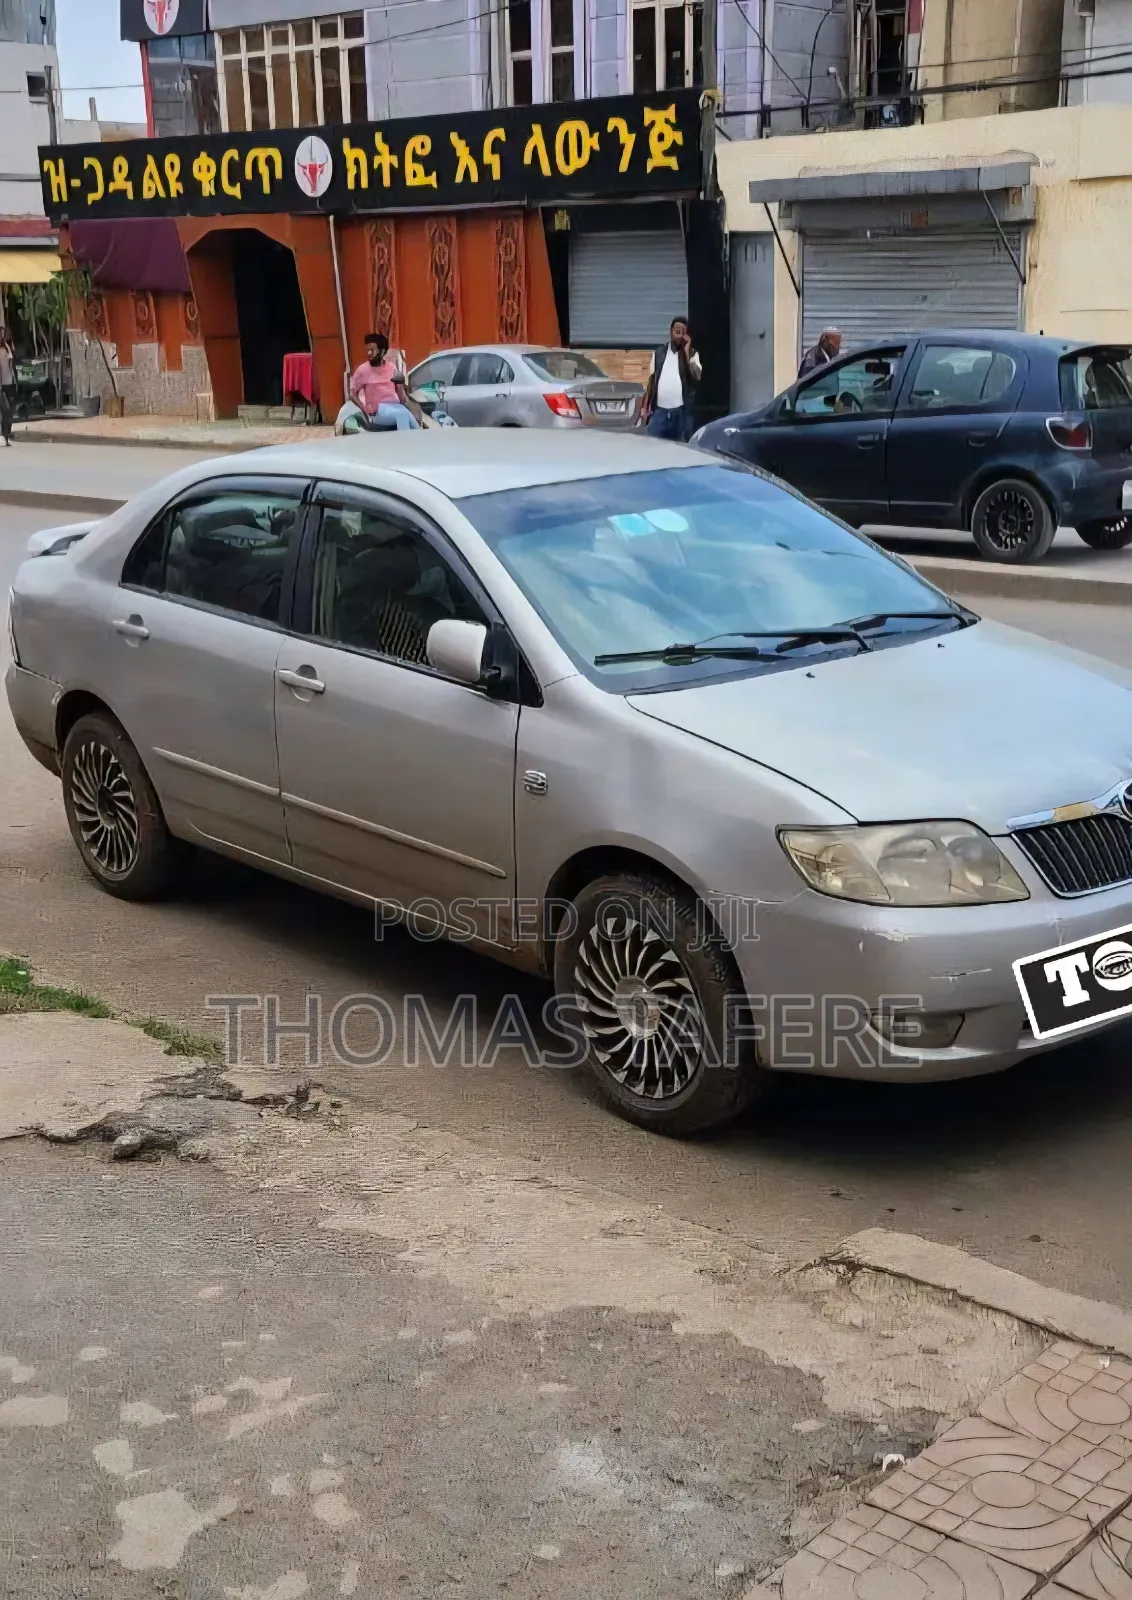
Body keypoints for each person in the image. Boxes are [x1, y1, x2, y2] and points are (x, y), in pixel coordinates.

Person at [643, 317, 702, 441]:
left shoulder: (692, 354)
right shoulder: (659, 353)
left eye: (683, 332)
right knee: (650, 444)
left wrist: (686, 352)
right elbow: (651, 381)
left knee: (681, 448)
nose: (680, 335)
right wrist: (645, 407)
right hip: (659, 412)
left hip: (681, 413)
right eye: (677, 331)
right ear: (671, 332)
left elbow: (697, 376)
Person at [349, 332, 421, 431]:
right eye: (368, 350)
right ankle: (405, 444)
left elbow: (399, 390)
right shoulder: (362, 370)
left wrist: (401, 386)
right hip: (377, 411)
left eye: (372, 350)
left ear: (382, 351)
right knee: (401, 414)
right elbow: (352, 394)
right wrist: (364, 409)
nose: (369, 353)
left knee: (415, 425)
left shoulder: (392, 367)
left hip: (396, 407)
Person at [0, 328, 15, 447]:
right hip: (1, 385)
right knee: (5, 410)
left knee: (8, 411)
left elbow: (11, 359)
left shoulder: (6, 348)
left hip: (8, 383)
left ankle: (6, 435)